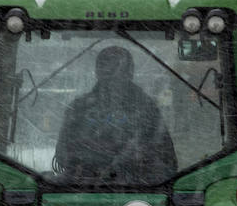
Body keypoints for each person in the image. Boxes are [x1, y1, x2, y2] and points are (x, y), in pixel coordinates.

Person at [52, 45, 178, 183]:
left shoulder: (147, 108)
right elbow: (62, 155)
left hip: (139, 187)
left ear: (130, 72)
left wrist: (124, 163)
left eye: (116, 70)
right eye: (107, 69)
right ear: (97, 72)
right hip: (83, 185)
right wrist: (92, 165)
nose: (111, 76)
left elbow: (165, 157)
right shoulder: (80, 107)